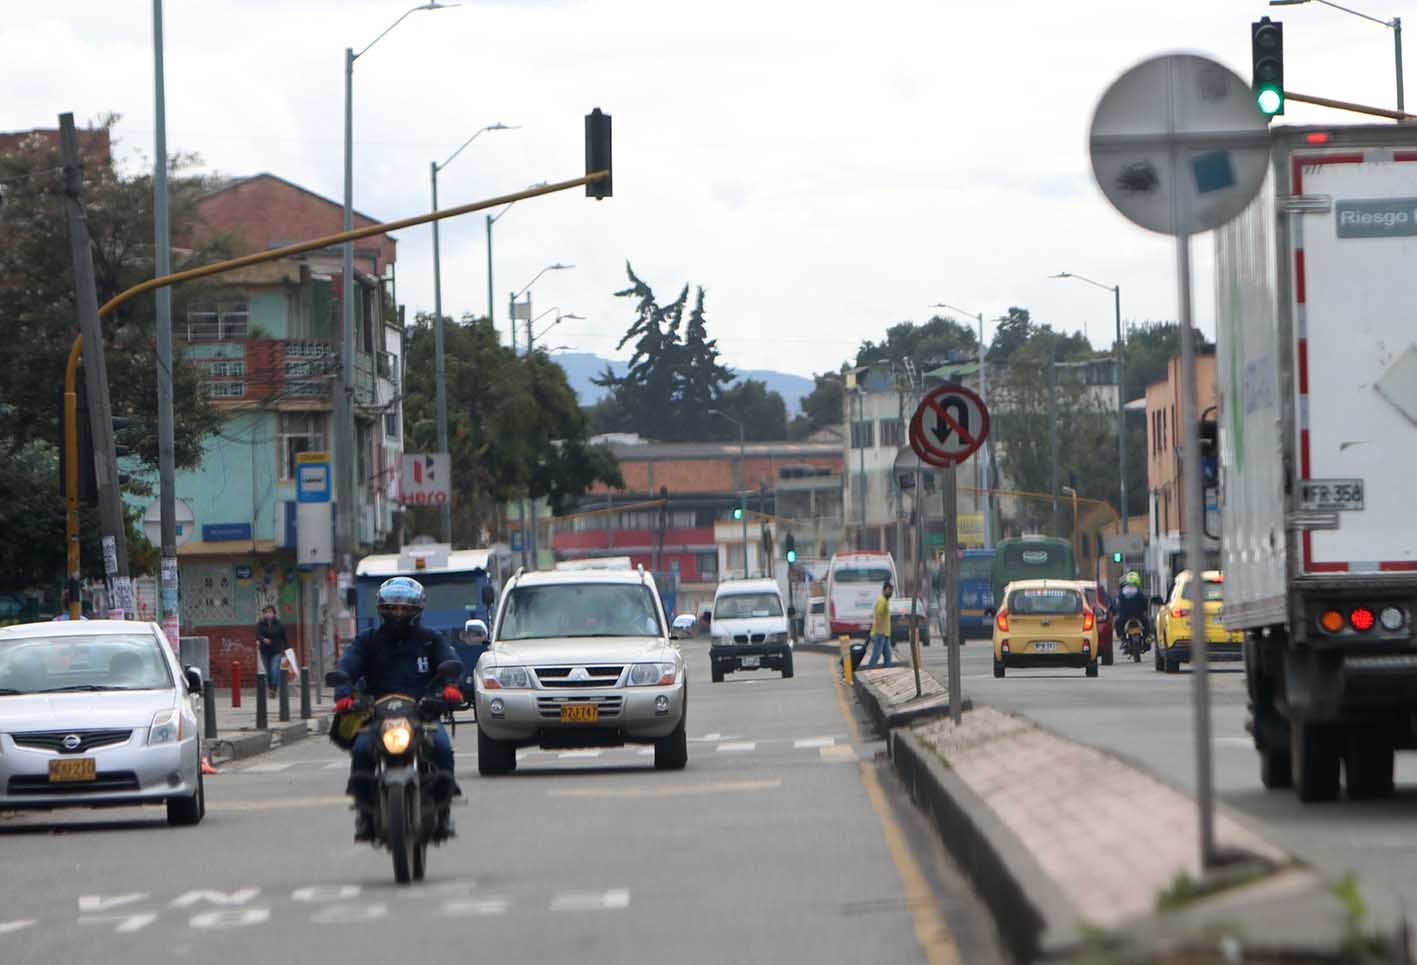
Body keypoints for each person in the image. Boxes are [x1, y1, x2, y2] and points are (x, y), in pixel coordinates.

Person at [333, 576, 464, 842]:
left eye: (405, 608)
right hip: (377, 714)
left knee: (440, 747)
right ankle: (365, 814)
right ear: (382, 609)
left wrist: (449, 688)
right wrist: (344, 694)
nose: (398, 613)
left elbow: (451, 663)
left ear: (417, 610)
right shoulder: (367, 640)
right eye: (392, 607)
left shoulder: (431, 640)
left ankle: (444, 811)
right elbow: (347, 667)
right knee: (360, 750)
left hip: (421, 712)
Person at [1112, 571, 1151, 650]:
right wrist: (1145, 610)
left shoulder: (1122, 593)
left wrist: (1114, 611)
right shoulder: (1139, 593)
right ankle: (1147, 639)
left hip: (1125, 616)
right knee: (1146, 623)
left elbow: (1117, 605)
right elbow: (1145, 603)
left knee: (1117, 624)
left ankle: (1123, 640)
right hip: (1138, 615)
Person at [255, 605, 288, 698]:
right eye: (266, 612)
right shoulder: (260, 624)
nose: (268, 614)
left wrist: (287, 649)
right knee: (268, 672)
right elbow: (257, 635)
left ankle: (274, 688)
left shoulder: (279, 624)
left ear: (274, 613)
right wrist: (263, 639)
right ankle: (270, 687)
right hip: (264, 651)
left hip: (277, 650)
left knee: (274, 670)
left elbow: (284, 638)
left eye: (270, 612)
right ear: (263, 614)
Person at [864, 580, 895, 668]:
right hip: (880, 633)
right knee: (876, 655)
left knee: (888, 655)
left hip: (884, 634)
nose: (890, 592)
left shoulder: (885, 600)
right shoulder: (882, 600)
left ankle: (887, 671)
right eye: (889, 590)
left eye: (891, 591)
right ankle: (869, 669)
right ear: (884, 590)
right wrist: (880, 631)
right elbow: (878, 616)